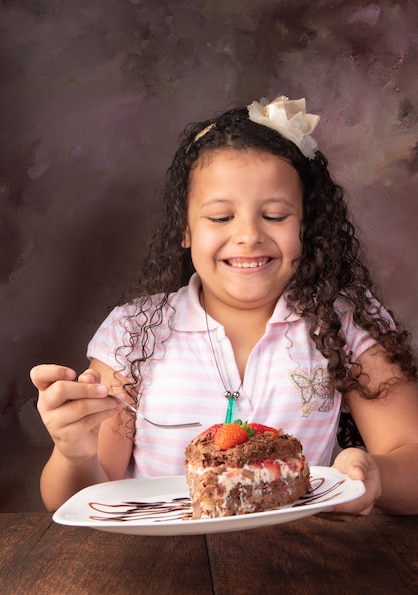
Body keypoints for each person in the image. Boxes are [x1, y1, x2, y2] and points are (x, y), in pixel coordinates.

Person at [31, 95, 418, 516]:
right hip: (161, 568)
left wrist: (372, 475)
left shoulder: (345, 324)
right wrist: (74, 454)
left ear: (307, 225)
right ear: (185, 229)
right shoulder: (133, 332)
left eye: (274, 215)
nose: (249, 236)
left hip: (302, 566)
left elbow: (410, 456)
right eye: (220, 218)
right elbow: (76, 501)